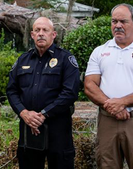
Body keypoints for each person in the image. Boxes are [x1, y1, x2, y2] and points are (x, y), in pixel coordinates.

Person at [84, 4, 133, 169]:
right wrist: (112, 106)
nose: (118, 25)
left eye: (123, 21)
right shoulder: (100, 51)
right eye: (114, 21)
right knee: (106, 165)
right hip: (107, 120)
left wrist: (123, 103)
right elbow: (90, 85)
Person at [6, 17, 80, 169]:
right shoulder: (23, 60)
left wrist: (43, 114)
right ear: (32, 35)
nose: (41, 34)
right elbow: (12, 90)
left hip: (58, 129)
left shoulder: (66, 58)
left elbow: (70, 93)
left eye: (45, 30)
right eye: (37, 30)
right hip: (29, 128)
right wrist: (24, 113)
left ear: (53, 34)